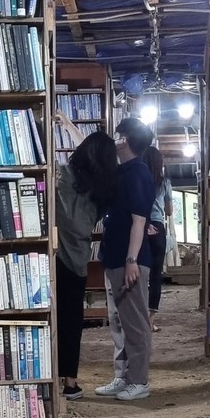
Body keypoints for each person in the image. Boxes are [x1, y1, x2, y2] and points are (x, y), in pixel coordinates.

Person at [54, 126, 118, 399]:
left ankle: (44, 376)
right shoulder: (104, 189)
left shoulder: (60, 174)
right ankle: (70, 382)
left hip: (50, 254)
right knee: (71, 320)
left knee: (46, 317)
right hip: (78, 258)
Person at [96, 115, 155, 403]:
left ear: (126, 140)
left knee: (135, 323)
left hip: (129, 259)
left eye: (118, 134)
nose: (114, 138)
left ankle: (139, 381)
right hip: (115, 258)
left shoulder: (138, 174)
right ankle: (123, 376)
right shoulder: (122, 171)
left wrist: (132, 260)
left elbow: (139, 221)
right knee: (119, 322)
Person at [142, 144, 174, 332]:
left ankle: (137, 317)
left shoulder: (139, 180)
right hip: (158, 227)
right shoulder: (165, 183)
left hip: (140, 226)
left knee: (140, 273)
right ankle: (150, 320)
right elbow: (169, 211)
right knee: (155, 275)